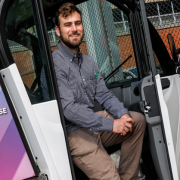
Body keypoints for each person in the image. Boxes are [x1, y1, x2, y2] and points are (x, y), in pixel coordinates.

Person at [46, 2, 146, 180]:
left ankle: (127, 177)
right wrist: (111, 125)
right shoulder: (54, 64)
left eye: (77, 23)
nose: (74, 29)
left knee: (136, 121)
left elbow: (104, 95)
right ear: (58, 31)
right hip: (73, 132)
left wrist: (122, 115)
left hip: (92, 124)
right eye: (67, 25)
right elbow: (68, 109)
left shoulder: (88, 61)